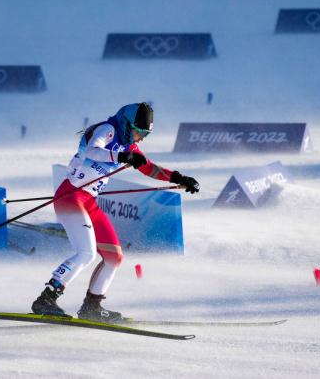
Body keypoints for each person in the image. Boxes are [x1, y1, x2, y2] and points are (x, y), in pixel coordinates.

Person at [31, 102, 200, 322]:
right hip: (71, 196)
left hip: (89, 201)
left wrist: (179, 178)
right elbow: (93, 150)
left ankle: (92, 306)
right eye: (140, 132)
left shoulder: (129, 146)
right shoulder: (107, 130)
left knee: (113, 257)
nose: (142, 138)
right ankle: (46, 298)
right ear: (127, 125)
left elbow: (150, 168)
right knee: (87, 253)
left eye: (146, 134)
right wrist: (121, 157)